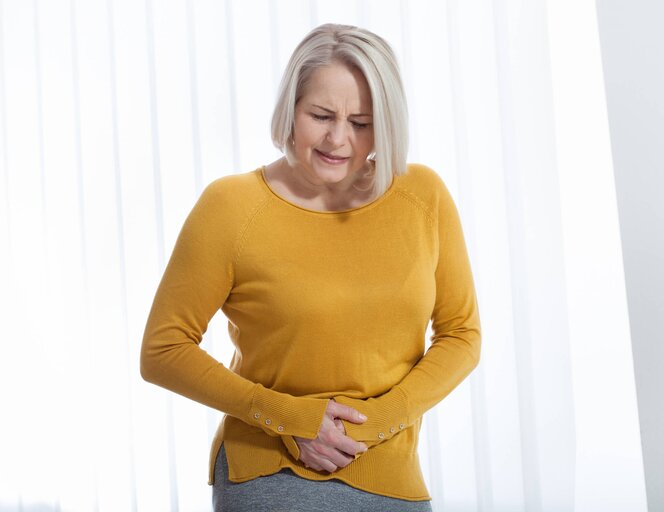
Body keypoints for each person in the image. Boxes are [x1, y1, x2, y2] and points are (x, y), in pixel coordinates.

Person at [140, 23, 481, 512]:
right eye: (321, 115)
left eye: (361, 122)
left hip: (391, 471)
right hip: (268, 471)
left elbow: (462, 334)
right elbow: (162, 349)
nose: (338, 139)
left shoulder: (422, 197)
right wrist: (287, 417)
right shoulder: (231, 206)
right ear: (290, 111)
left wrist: (378, 421)